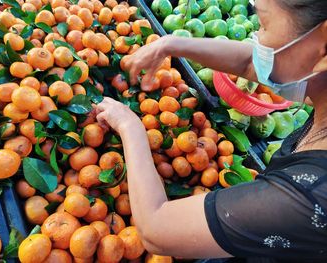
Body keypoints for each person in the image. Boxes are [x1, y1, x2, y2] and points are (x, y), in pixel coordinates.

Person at [96, 0, 327, 262]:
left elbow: (156, 229)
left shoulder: (313, 198)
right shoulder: (320, 80)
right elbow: (250, 64)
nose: (256, 37)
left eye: (263, 24)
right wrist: (170, 44)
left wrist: (130, 126)